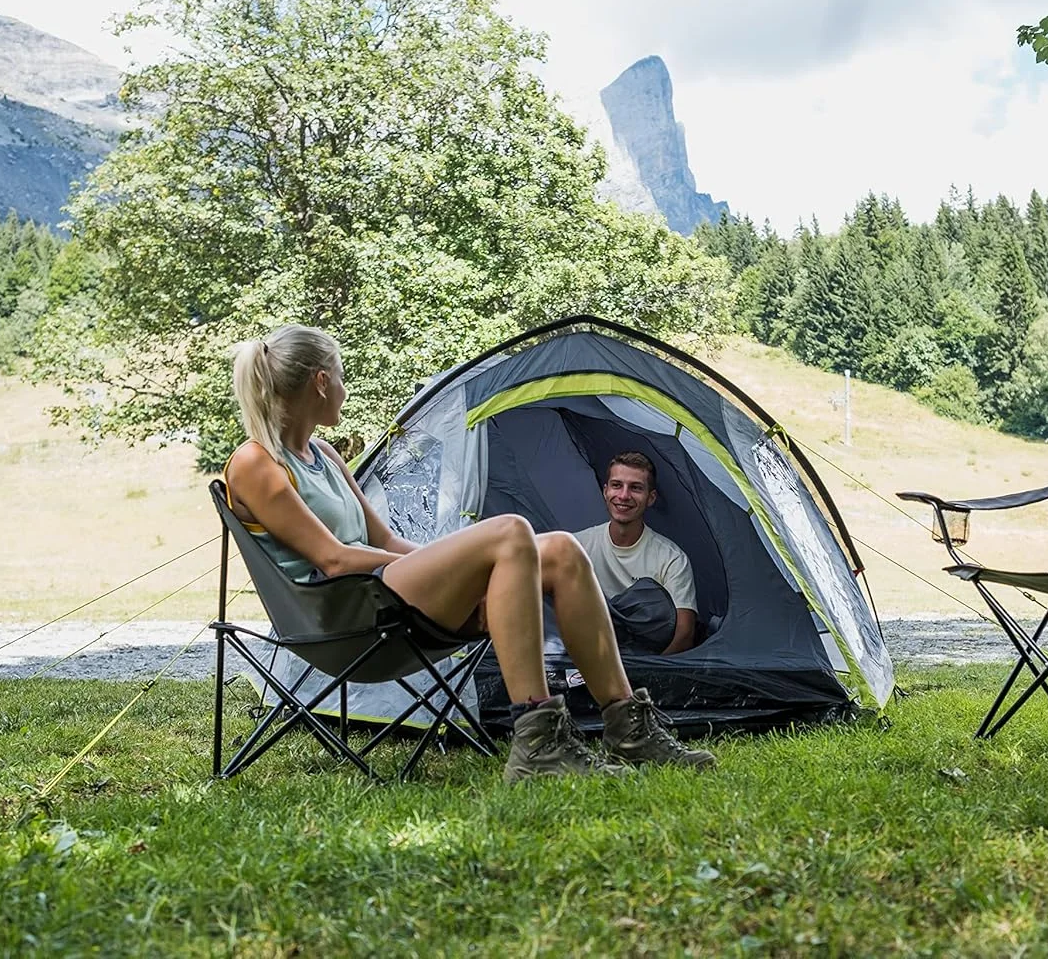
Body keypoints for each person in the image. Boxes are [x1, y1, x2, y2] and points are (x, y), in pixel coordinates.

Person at [222, 324, 714, 781]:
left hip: (383, 596)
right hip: (345, 616)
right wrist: (460, 569)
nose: (347, 391)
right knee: (510, 531)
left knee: (562, 550)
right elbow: (332, 559)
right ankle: (539, 743)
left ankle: (630, 730)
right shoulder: (255, 463)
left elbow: (388, 543)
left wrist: (458, 570)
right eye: (344, 379)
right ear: (322, 382)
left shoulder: (324, 455)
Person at [573, 452, 698, 656]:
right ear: (605, 491)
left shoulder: (672, 558)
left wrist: (647, 673)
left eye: (636, 488)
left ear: (651, 498)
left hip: (644, 660)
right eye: (616, 485)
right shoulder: (576, 546)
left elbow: (684, 635)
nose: (623, 496)